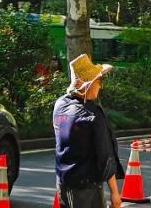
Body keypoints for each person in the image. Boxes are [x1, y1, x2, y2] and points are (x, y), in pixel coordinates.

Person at [53, 54, 124, 208]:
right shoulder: (92, 114)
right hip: (87, 186)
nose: (100, 86)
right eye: (98, 81)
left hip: (65, 181)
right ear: (88, 84)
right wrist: (114, 192)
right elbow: (105, 155)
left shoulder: (60, 105)